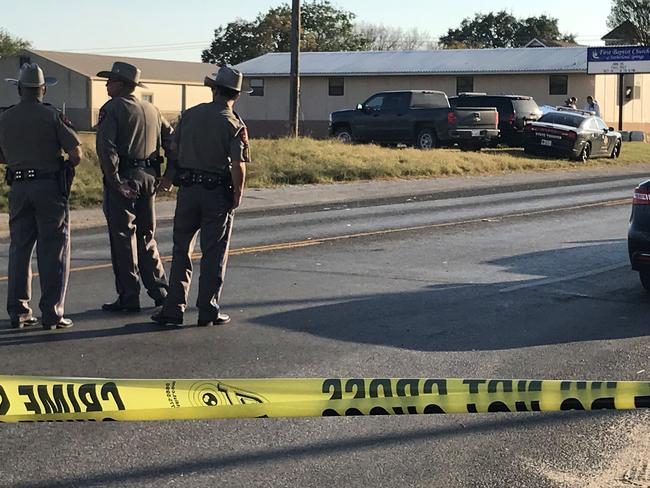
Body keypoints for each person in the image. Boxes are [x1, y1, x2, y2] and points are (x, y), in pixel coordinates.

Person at [151, 66, 251, 327]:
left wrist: (171, 178)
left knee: (181, 250)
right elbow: (238, 165)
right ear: (236, 96)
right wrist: (238, 194)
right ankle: (208, 309)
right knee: (214, 253)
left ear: (213, 89)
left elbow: (174, 149)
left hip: (188, 191)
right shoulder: (234, 124)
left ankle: (173, 309)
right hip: (216, 193)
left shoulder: (190, 116)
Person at [0, 63, 82, 330]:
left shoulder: (5, 118)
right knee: (53, 250)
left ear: (20, 88)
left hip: (19, 187)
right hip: (48, 187)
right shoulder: (52, 116)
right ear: (43, 89)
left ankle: (19, 311)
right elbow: (76, 153)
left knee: (20, 250)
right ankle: (52, 313)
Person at [95, 62, 174, 313]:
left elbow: (106, 148)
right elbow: (172, 143)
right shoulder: (152, 109)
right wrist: (169, 175)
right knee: (146, 236)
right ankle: (160, 290)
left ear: (121, 85)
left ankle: (129, 296)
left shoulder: (112, 109)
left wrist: (114, 180)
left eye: (110, 81)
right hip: (149, 177)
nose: (107, 85)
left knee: (123, 238)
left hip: (125, 179)